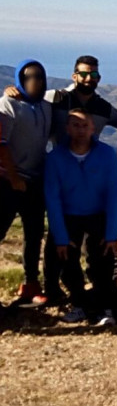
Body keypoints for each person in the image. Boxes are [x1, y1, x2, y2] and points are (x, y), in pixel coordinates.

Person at [44, 109, 117, 326]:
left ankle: (105, 308)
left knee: (103, 262)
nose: (80, 130)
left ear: (93, 128)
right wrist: (60, 237)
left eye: (84, 125)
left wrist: (112, 234)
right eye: (75, 125)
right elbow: (53, 199)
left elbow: (114, 195)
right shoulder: (55, 158)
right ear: (67, 129)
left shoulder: (107, 154)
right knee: (67, 262)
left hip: (98, 215)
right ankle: (79, 305)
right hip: (69, 217)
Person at [0, 60, 52, 305]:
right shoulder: (8, 103)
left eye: (39, 76)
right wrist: (13, 177)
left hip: (34, 181)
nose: (35, 81)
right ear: (21, 78)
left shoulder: (46, 106)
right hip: (7, 181)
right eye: (29, 76)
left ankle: (31, 285)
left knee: (34, 235)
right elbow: (1, 145)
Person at [5, 55, 117, 143]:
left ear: (99, 78)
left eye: (93, 74)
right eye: (83, 74)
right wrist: (11, 92)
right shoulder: (56, 98)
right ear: (74, 77)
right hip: (57, 167)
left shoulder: (104, 108)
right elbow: (30, 100)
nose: (88, 78)